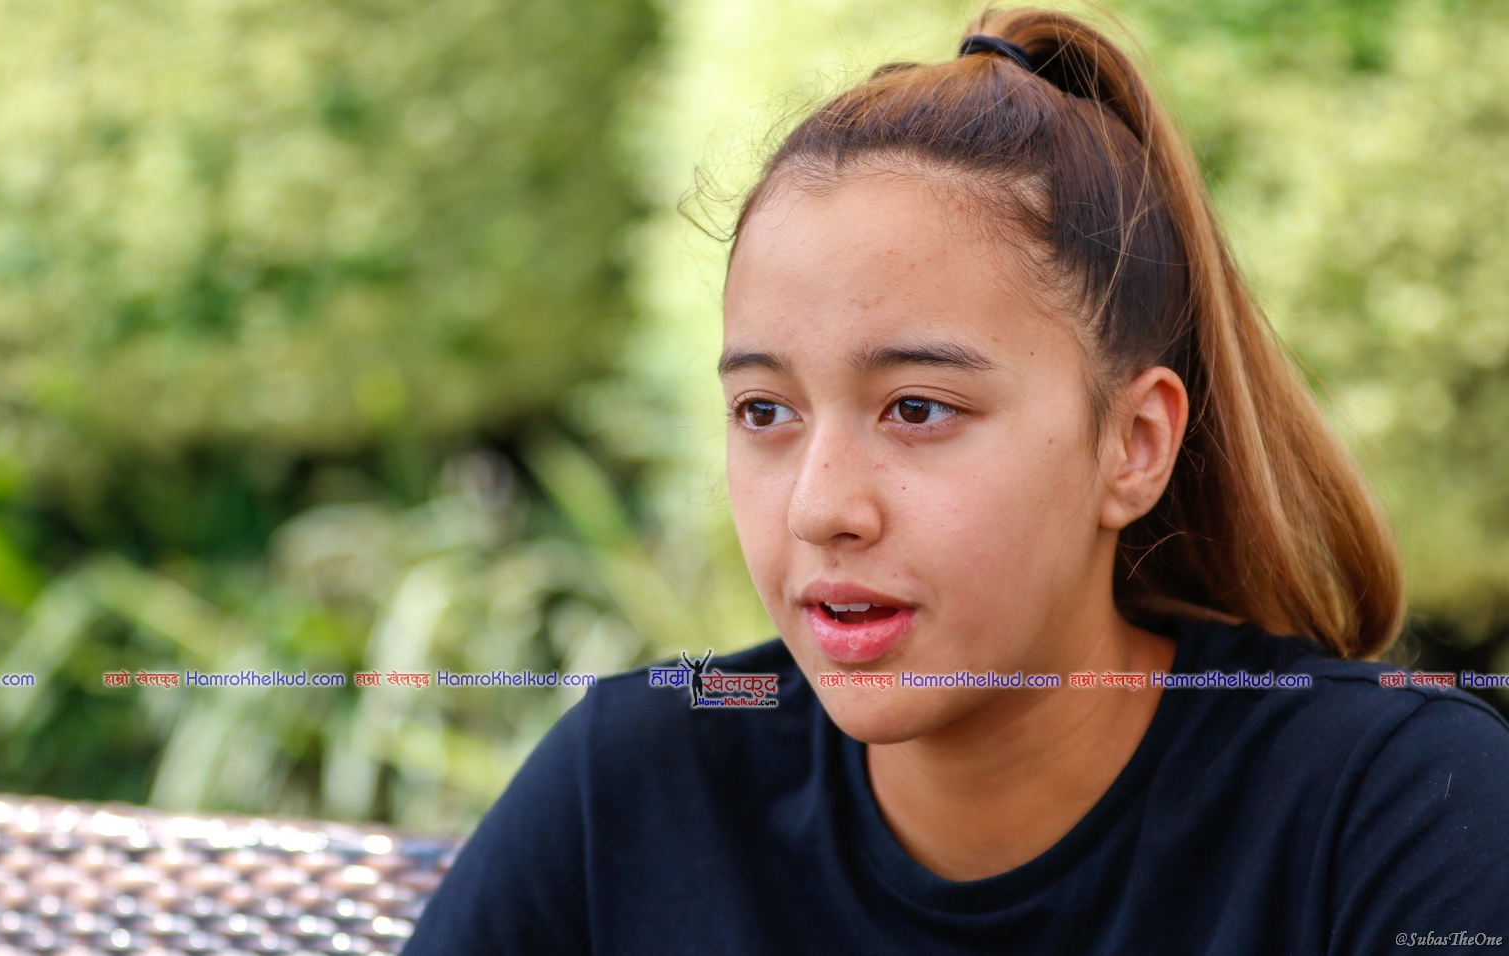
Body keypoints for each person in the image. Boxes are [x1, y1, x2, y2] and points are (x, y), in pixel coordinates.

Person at [401, 8, 1509, 953]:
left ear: (1134, 444)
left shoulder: (1403, 807)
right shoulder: (640, 777)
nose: (820, 507)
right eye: (765, 412)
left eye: (918, 409)